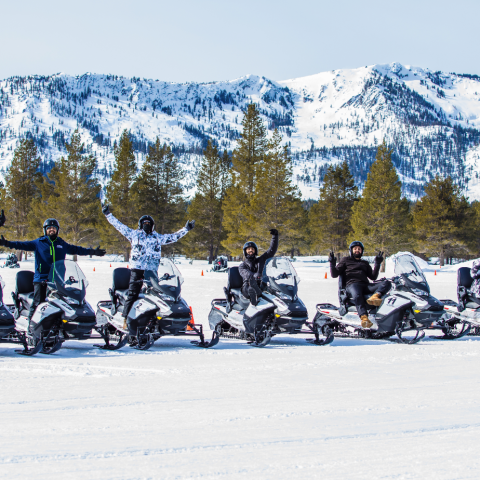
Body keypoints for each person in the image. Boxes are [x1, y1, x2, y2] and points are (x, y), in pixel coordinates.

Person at [0, 217, 106, 328]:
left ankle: (57, 327)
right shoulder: (39, 243)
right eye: (49, 228)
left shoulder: (61, 244)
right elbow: (21, 245)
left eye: (54, 228)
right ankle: (31, 328)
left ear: (57, 230)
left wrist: (93, 251)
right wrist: (6, 243)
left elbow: (77, 249)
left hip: (58, 280)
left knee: (61, 304)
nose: (51, 230)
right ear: (45, 230)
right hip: (41, 280)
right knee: (38, 304)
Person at [102, 205, 195, 328]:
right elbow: (119, 225)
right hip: (137, 270)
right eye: (144, 223)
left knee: (157, 296)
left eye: (149, 223)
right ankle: (125, 319)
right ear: (140, 225)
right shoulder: (134, 235)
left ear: (152, 225)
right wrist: (108, 214)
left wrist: (186, 229)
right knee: (133, 294)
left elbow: (173, 237)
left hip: (152, 272)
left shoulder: (158, 237)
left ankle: (157, 321)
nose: (147, 225)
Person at [329, 241, 391, 328]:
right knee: (357, 294)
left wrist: (377, 264)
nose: (357, 250)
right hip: (352, 284)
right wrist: (332, 264)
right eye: (355, 249)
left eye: (359, 249)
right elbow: (334, 274)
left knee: (387, 283)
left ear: (362, 251)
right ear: (351, 250)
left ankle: (375, 296)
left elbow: (373, 277)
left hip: (365, 285)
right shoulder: (346, 260)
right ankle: (364, 317)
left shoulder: (364, 263)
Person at [238, 229, 279, 305]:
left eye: (252, 249)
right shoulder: (242, 266)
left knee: (275, 290)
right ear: (245, 251)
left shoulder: (261, 260)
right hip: (247, 285)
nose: (251, 250)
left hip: (262, 284)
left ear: (255, 251)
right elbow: (246, 274)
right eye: (249, 249)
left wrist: (275, 237)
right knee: (249, 288)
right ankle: (254, 293)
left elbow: (271, 251)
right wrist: (254, 276)